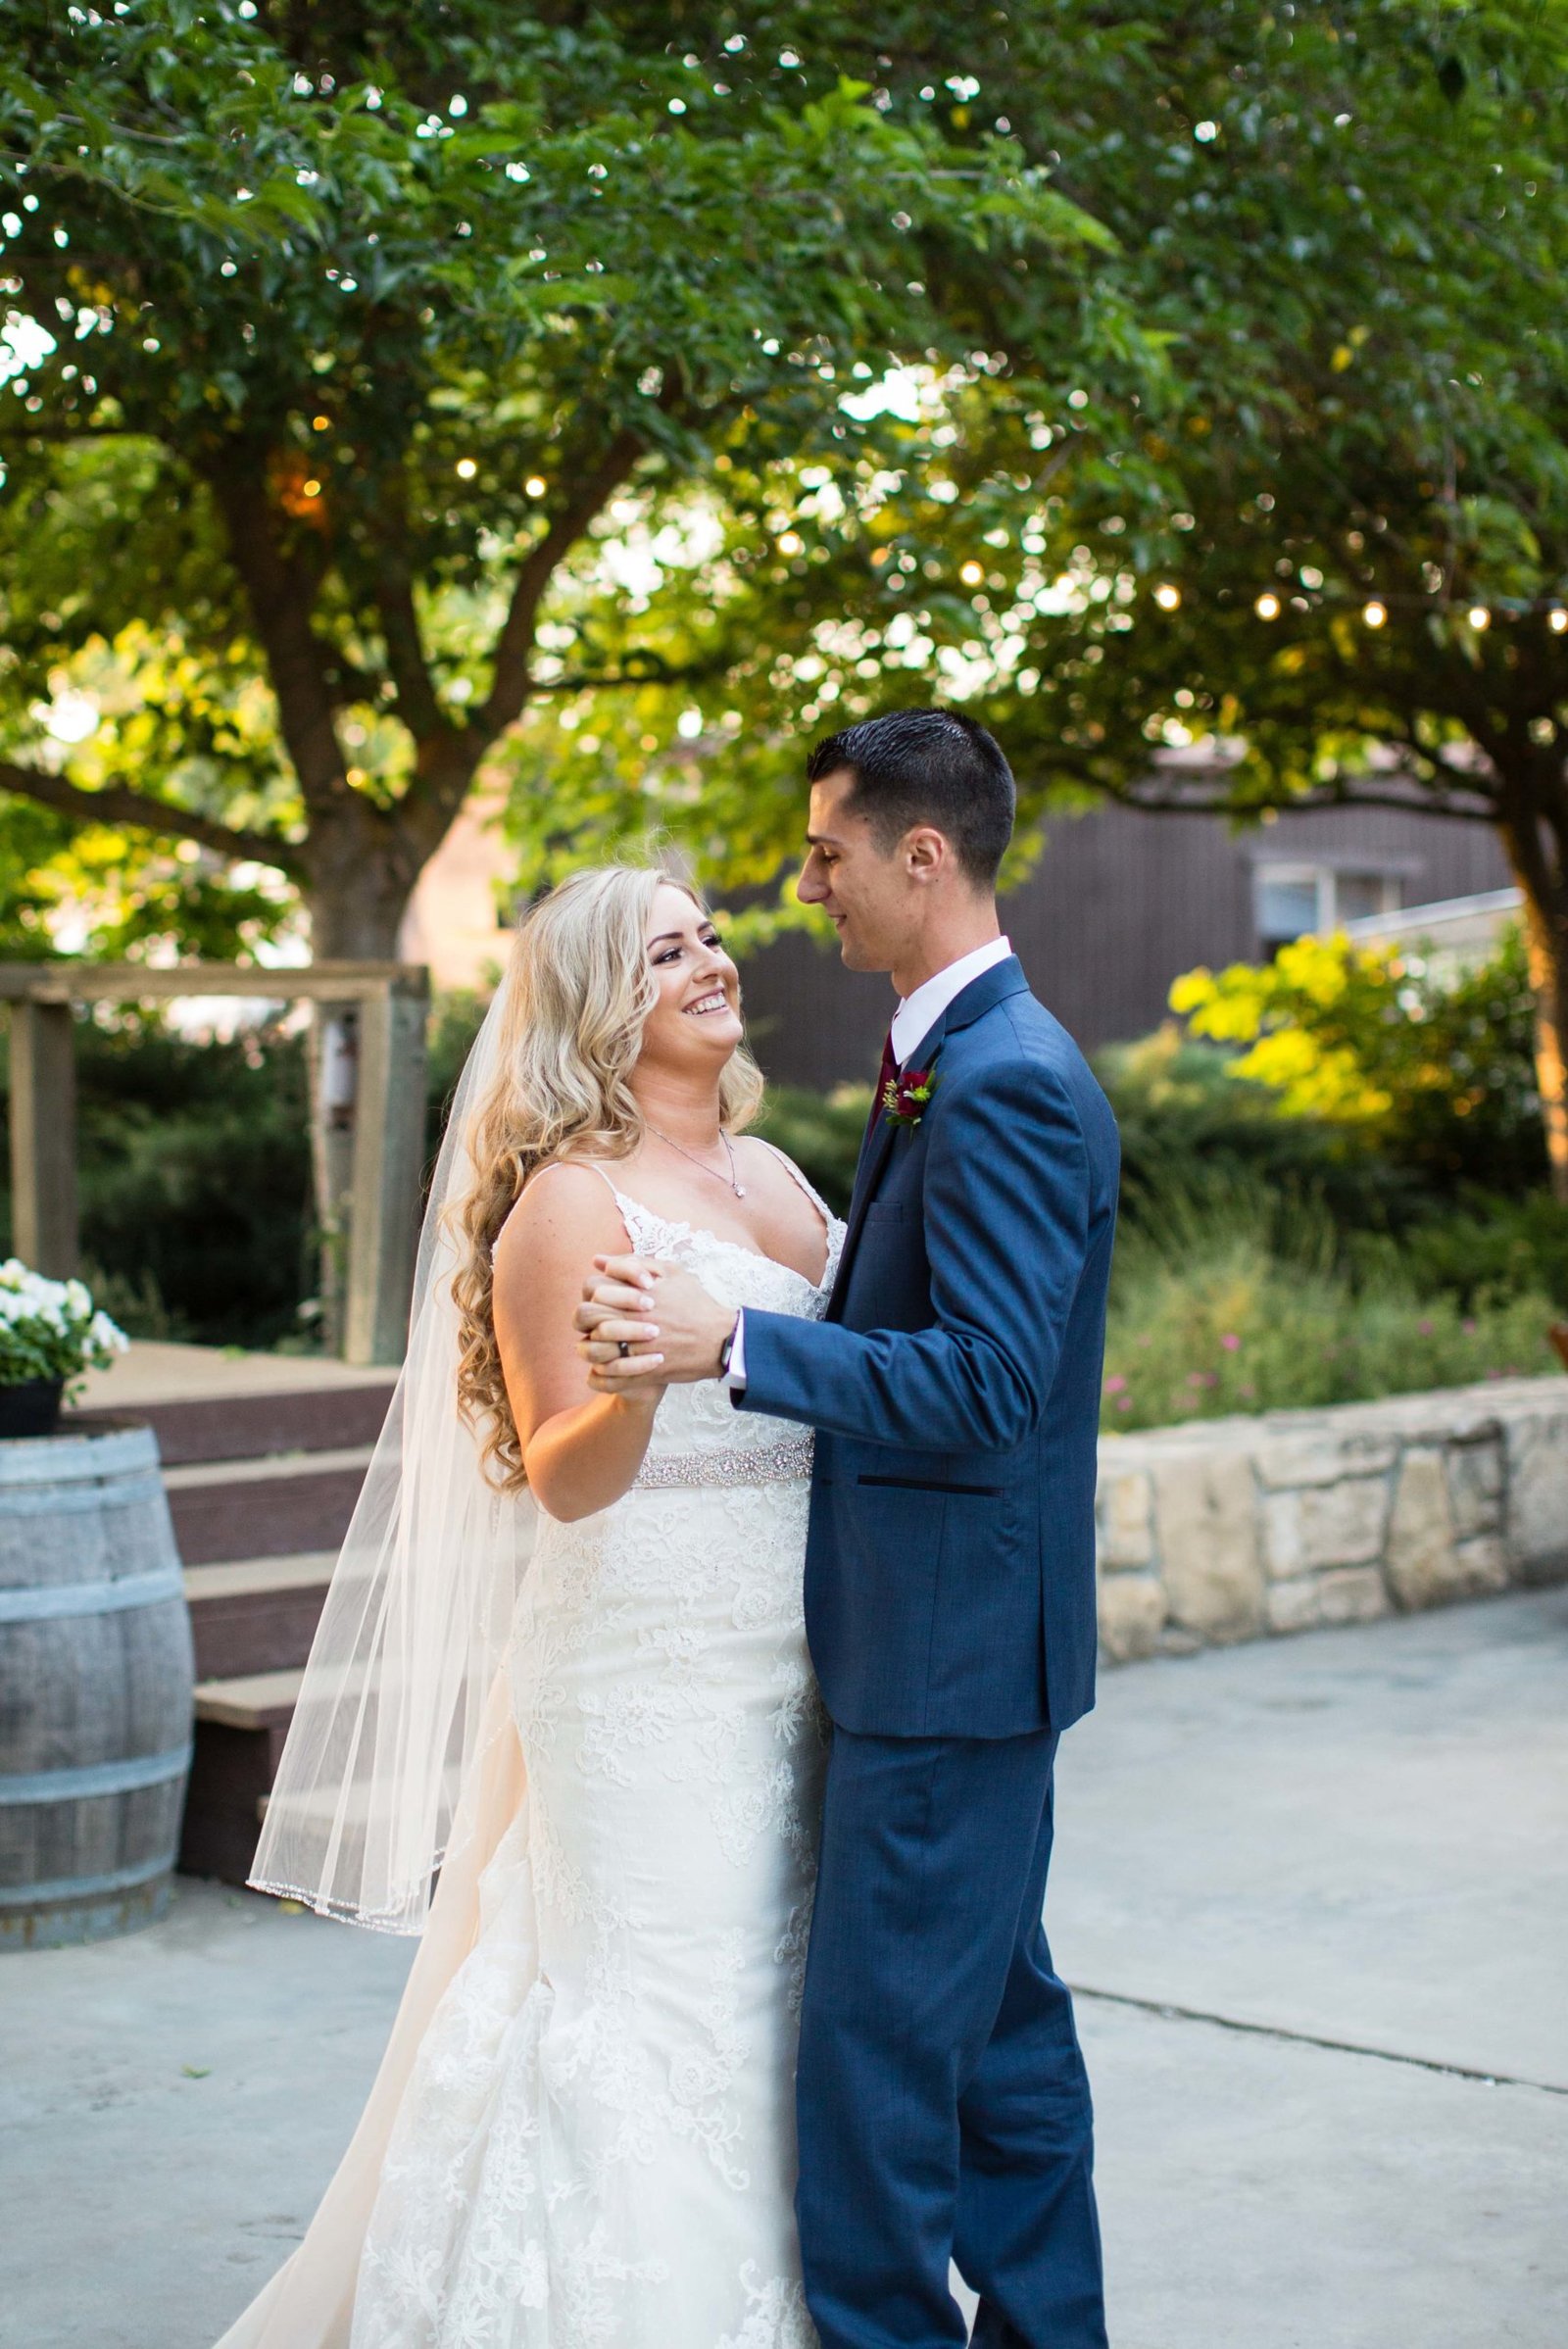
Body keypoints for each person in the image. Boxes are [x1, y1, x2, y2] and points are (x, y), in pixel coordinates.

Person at [214, 860, 844, 2348]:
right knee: (655, 2014)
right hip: (638, 1673)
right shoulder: (565, 1206)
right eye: (660, 952)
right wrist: (638, 1385)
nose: (709, 961)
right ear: (589, 1010)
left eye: (708, 935)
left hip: (795, 1660)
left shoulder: (774, 1178)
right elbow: (562, 1474)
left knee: (777, 2005)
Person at [578, 708, 1119, 2349]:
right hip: (953, 1651)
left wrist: (731, 1342)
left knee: (880, 2081)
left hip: (946, 1662)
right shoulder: (951, 1050)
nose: (804, 883)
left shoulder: (1006, 1076)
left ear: (921, 854)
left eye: (826, 852)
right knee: (1003, 2053)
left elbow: (993, 1380)